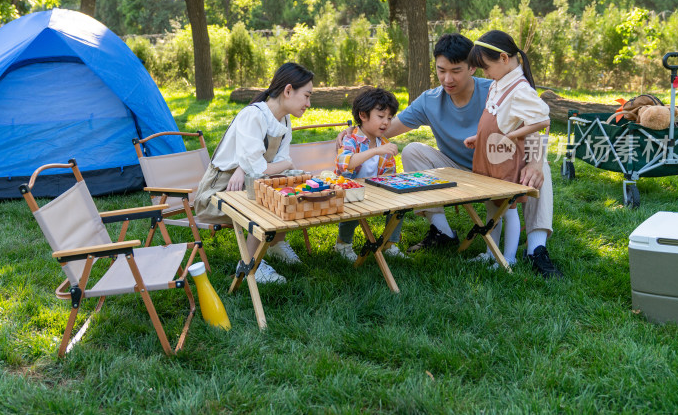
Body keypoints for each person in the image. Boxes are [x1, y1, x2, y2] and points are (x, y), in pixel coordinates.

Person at [338, 33, 562, 278]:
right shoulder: (431, 100)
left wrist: (535, 162)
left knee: (542, 166)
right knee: (413, 150)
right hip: (458, 172)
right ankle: (442, 231)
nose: (447, 79)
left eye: (455, 70)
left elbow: (534, 124)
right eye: (441, 70)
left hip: (501, 167)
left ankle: (536, 247)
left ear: (473, 67)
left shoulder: (496, 88)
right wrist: (353, 131)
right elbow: (383, 129)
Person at [193, 62, 313, 284]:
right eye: (306, 96)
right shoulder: (253, 116)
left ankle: (275, 244)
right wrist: (279, 164)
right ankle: (250, 264)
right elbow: (263, 167)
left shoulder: (283, 120)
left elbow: (266, 168)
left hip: (250, 185)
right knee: (264, 205)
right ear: (288, 91)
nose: (308, 103)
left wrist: (253, 168)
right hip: (217, 193)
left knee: (289, 196)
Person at [463, 30, 550, 266]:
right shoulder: (499, 83)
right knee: (492, 207)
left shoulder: (520, 88)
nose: (486, 74)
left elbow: (543, 120)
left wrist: (510, 135)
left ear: (503, 58)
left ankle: (508, 258)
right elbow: (499, 117)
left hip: (504, 158)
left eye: (486, 67)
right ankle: (492, 252)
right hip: (488, 153)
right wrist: (478, 137)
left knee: (507, 209)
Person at [334, 88, 407, 261]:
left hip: (375, 189)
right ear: (363, 116)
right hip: (350, 189)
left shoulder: (384, 142)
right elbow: (345, 162)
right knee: (353, 199)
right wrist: (375, 151)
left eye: (389, 118)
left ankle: (389, 243)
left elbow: (389, 173)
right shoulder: (351, 139)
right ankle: (343, 244)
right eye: (381, 117)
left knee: (400, 204)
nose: (386, 123)